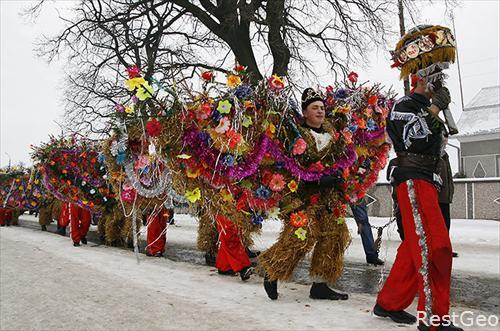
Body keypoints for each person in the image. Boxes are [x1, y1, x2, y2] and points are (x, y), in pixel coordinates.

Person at [374, 24, 463, 331]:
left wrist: (437, 110)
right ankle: (434, 318)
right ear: (422, 77)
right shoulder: (405, 105)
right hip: (413, 179)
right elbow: (416, 139)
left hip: (430, 179)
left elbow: (440, 144)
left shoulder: (427, 107)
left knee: (415, 246)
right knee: (433, 247)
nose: (440, 81)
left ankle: (388, 302)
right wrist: (436, 108)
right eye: (436, 75)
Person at [258, 88, 350, 301]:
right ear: (305, 112)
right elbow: (288, 168)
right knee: (302, 236)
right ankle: (272, 271)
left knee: (334, 234)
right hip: (302, 196)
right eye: (314, 108)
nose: (320, 111)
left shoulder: (333, 136)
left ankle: (320, 284)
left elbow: (339, 160)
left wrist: (337, 176)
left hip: (328, 196)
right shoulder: (295, 135)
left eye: (322, 107)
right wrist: (315, 179)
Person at [350, 200, 384, 266]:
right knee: (363, 222)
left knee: (363, 221)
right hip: (355, 194)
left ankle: (371, 255)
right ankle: (371, 255)